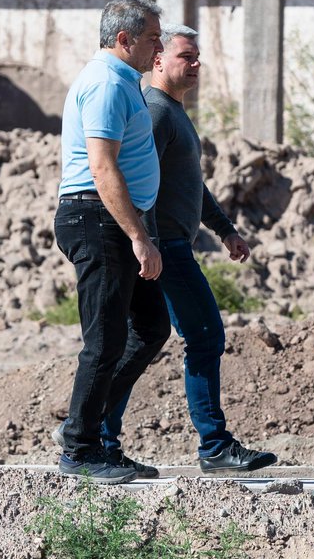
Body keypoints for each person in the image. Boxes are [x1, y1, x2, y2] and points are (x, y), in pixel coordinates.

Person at [101, 25, 278, 474]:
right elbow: (138, 182)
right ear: (158, 60)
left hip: (171, 244)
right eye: (186, 56)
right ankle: (214, 446)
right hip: (166, 247)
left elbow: (191, 187)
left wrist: (225, 229)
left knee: (143, 339)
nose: (195, 64)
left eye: (198, 57)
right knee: (203, 336)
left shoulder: (174, 113)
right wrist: (151, 243)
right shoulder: (157, 112)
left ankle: (96, 434)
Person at [52, 0, 171, 484]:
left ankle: (89, 429)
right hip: (97, 219)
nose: (158, 49)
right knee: (104, 340)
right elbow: (102, 168)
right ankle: (80, 449)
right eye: (151, 40)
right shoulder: (105, 83)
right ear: (123, 40)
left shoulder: (124, 82)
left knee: (150, 327)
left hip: (113, 220)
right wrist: (138, 236)